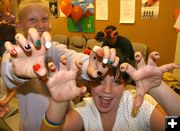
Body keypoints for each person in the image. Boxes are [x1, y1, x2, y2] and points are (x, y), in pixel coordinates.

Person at [1, 0, 118, 130]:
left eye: (44, 19)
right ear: (19, 25)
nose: (40, 25)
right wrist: (18, 73)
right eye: (32, 20)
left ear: (50, 23)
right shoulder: (15, 53)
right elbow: (9, 73)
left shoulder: (54, 49)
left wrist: (91, 64)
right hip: (35, 125)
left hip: (65, 121)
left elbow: (72, 57)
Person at [40, 51, 180, 131]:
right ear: (89, 84)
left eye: (117, 82)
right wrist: (58, 102)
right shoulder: (86, 110)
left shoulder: (137, 108)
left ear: (125, 85)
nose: (107, 90)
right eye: (100, 81)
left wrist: (157, 87)